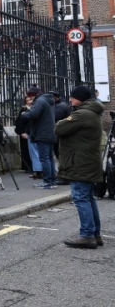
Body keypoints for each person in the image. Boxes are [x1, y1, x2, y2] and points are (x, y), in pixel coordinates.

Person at [55, 85, 104, 248]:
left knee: (81, 198)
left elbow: (59, 128)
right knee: (88, 198)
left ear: (81, 99)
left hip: (80, 163)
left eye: (72, 97)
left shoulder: (82, 114)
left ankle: (87, 235)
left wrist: (65, 120)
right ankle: (95, 233)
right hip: (88, 162)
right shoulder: (92, 112)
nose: (70, 99)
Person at [24, 86, 57, 189]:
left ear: (33, 95)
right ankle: (52, 180)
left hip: (42, 133)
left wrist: (25, 114)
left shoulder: (40, 101)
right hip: (51, 132)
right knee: (50, 158)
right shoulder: (48, 100)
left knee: (44, 159)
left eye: (30, 96)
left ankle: (47, 181)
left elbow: (33, 114)